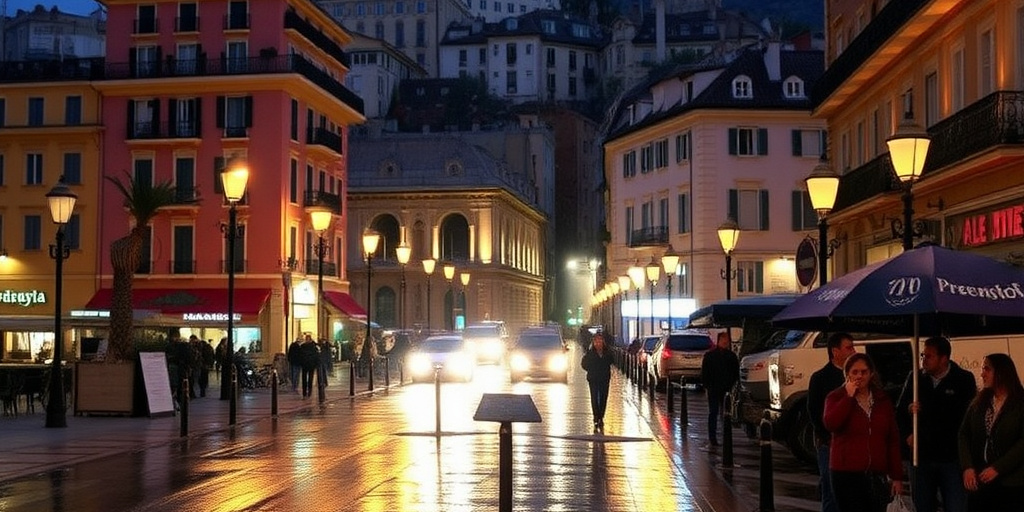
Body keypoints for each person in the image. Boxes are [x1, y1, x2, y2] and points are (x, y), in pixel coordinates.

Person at [896, 336, 976, 512]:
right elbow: (900, 412)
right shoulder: (915, 378)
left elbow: (969, 418)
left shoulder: (963, 379)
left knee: (956, 505)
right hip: (922, 457)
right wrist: (908, 433)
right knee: (923, 505)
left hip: (951, 457)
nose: (924, 360)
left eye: (929, 356)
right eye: (923, 355)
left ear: (944, 358)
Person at [824, 353, 903, 512]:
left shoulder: (882, 400)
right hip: (846, 473)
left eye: (864, 372)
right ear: (847, 374)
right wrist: (848, 397)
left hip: (876, 473)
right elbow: (831, 423)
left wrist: (896, 476)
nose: (859, 376)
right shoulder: (836, 397)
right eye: (855, 372)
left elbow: (892, 439)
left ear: (871, 374)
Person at [958, 353, 1024, 511]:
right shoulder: (980, 403)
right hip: (981, 479)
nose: (982, 374)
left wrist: (998, 467)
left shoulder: (1019, 403)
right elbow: (964, 434)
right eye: (982, 369)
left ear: (1001, 372)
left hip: (1012, 483)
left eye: (986, 369)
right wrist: (967, 466)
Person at [807, 332, 856, 512]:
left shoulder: (856, 376)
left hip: (853, 442)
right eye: (848, 347)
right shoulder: (820, 378)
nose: (854, 351)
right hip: (830, 443)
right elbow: (813, 410)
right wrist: (825, 435)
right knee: (831, 489)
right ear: (835, 351)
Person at [701, 331, 739, 446]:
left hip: (724, 388)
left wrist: (731, 384)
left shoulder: (730, 356)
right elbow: (705, 373)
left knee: (724, 413)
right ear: (719, 341)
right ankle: (713, 437)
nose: (725, 343)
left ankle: (723, 435)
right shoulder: (711, 356)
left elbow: (735, 373)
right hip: (715, 388)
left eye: (726, 341)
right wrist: (707, 386)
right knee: (714, 412)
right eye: (724, 340)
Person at [581, 333, 614, 431]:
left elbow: (611, 360)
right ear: (594, 342)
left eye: (600, 341)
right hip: (593, 378)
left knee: (603, 398)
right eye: (596, 341)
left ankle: (601, 417)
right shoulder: (590, 353)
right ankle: (596, 417)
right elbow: (584, 364)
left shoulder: (607, 352)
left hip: (604, 378)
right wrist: (591, 370)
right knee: (594, 398)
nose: (598, 343)